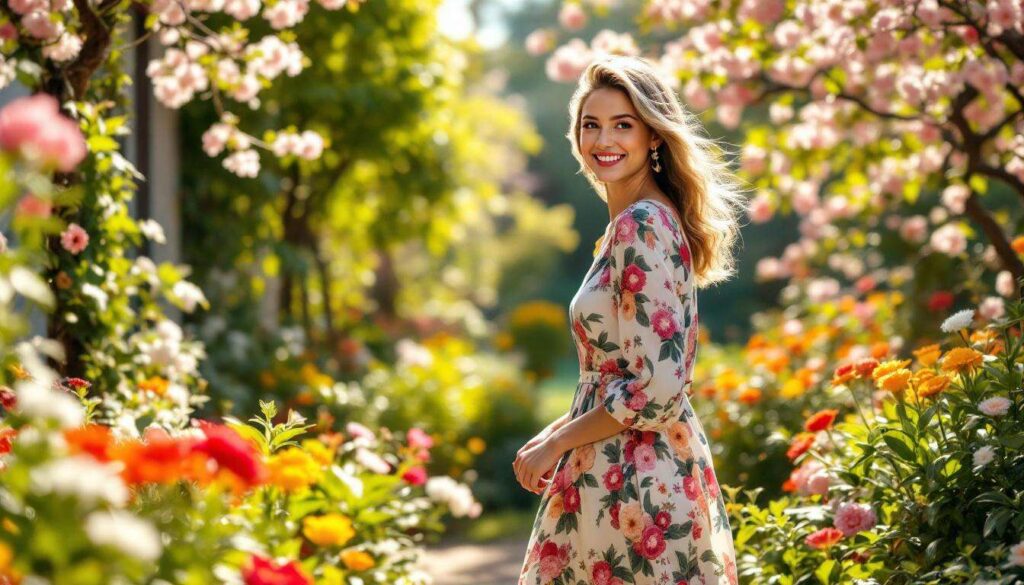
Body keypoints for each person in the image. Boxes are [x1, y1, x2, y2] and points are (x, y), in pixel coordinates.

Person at [513, 54, 749, 584]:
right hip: (616, 470)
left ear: (654, 136)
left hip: (636, 486)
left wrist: (557, 443)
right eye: (591, 125)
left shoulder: (641, 225)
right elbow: (620, 376)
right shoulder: (630, 225)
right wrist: (558, 431)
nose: (604, 140)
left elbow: (656, 389)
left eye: (623, 124)